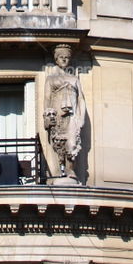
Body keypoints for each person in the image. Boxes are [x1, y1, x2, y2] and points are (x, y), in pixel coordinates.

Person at [43, 44, 86, 183]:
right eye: (61, 57)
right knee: (59, 144)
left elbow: (81, 100)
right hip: (58, 116)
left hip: (72, 116)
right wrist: (47, 116)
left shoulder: (74, 79)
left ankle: (70, 170)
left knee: (72, 143)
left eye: (67, 57)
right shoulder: (51, 79)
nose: (64, 60)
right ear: (56, 59)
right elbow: (47, 98)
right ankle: (61, 170)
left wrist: (82, 118)